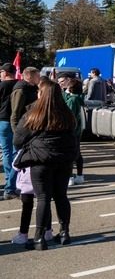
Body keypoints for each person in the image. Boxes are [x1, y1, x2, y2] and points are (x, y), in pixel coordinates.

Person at [13, 78, 78, 250]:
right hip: (64, 159)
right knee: (61, 196)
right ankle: (64, 233)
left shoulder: (33, 114)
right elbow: (75, 134)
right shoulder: (66, 114)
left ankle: (39, 238)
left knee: (43, 198)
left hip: (40, 159)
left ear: (41, 94)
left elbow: (18, 139)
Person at [0, 62, 19, 200]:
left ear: (5, 73)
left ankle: (9, 183)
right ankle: (11, 182)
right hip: (18, 122)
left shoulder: (1, 86)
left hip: (4, 122)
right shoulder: (20, 85)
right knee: (16, 153)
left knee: (7, 153)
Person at [64, 78, 86, 185]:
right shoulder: (78, 98)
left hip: (71, 131)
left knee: (70, 154)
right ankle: (80, 175)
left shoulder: (72, 100)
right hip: (77, 130)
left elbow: (68, 114)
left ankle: (70, 177)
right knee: (77, 153)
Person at [10, 67, 40, 134]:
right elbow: (15, 113)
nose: (39, 78)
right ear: (29, 76)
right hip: (23, 126)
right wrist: (17, 133)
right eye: (37, 76)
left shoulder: (34, 88)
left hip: (31, 124)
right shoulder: (21, 90)